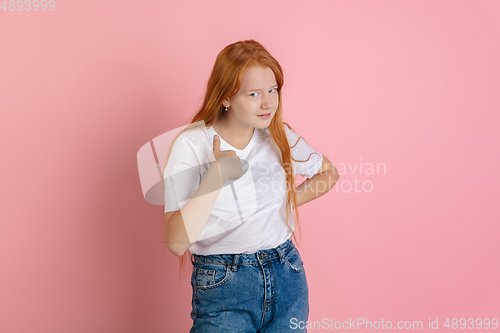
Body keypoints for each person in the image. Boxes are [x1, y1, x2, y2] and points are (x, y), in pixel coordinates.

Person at [163, 40, 339, 332]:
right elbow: (176, 242)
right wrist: (215, 178)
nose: (268, 103)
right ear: (226, 97)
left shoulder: (277, 135)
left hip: (286, 272)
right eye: (254, 94)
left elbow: (328, 174)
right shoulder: (191, 145)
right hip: (223, 282)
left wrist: (281, 202)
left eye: (273, 90)